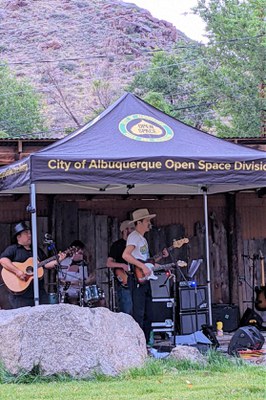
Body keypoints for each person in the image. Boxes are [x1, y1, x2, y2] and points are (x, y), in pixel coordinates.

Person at [122, 209, 168, 344]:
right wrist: (141, 267)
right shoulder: (134, 236)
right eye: (147, 221)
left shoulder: (142, 239)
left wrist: (160, 258)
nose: (149, 223)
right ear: (139, 222)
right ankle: (138, 344)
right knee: (139, 313)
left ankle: (147, 343)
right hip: (137, 279)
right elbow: (126, 255)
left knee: (149, 313)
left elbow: (145, 261)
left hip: (144, 279)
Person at [0, 221, 65, 309]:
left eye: (30, 233)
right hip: (21, 295)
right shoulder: (13, 249)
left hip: (39, 292)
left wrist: (59, 259)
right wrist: (18, 271)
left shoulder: (36, 250)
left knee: (44, 313)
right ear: (18, 237)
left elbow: (46, 264)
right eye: (26, 233)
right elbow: (3, 260)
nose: (29, 235)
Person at [106, 220, 134, 314]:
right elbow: (109, 263)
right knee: (127, 309)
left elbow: (148, 261)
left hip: (137, 280)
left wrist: (162, 256)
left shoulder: (137, 244)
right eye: (131, 229)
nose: (134, 231)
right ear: (125, 230)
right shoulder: (117, 245)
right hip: (125, 280)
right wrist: (122, 265)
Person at [59, 239, 95, 305]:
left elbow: (87, 278)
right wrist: (81, 283)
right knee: (74, 300)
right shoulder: (64, 262)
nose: (81, 253)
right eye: (78, 251)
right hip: (69, 290)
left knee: (100, 300)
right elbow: (61, 280)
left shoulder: (84, 263)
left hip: (82, 290)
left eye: (81, 251)